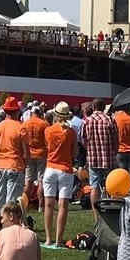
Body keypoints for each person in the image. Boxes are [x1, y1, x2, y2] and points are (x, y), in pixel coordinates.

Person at [41, 102, 77, 247]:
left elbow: (47, 147)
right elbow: (75, 152)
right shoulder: (71, 132)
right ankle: (58, 240)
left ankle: (48, 238)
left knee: (48, 204)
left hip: (50, 167)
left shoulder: (48, 130)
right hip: (65, 168)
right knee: (63, 206)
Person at [0, 97, 27, 233]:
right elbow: (26, 153)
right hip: (15, 165)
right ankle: (9, 233)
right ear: (17, 111)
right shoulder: (21, 127)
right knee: (11, 204)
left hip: (0, 166)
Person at [81, 100, 119, 212]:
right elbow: (115, 139)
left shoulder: (87, 121)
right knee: (111, 186)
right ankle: (111, 211)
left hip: (93, 159)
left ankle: (96, 214)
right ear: (103, 108)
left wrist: (89, 150)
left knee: (94, 187)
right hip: (109, 158)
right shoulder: (110, 119)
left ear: (93, 107)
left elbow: (84, 141)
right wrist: (114, 151)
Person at [21, 106, 48, 206]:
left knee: (28, 181)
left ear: (31, 113)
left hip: (29, 154)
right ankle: (41, 206)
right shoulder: (44, 124)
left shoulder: (25, 124)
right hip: (42, 154)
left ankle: (25, 205)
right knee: (41, 181)